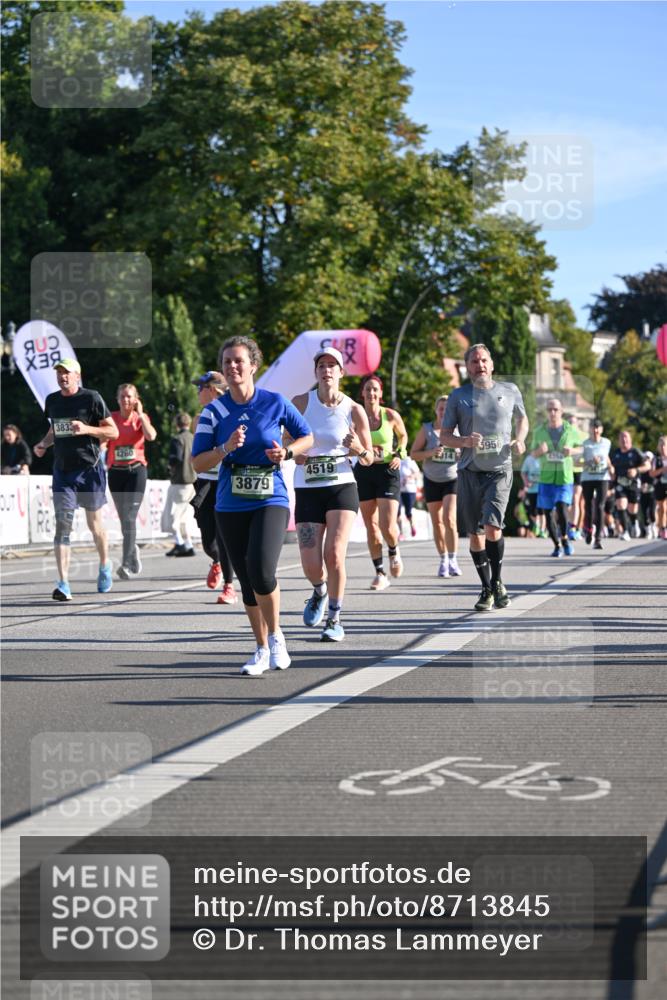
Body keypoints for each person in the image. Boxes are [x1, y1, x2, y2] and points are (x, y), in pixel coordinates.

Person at [191, 335, 313, 675]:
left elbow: (308, 436)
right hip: (230, 503)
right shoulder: (212, 412)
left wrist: (287, 453)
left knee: (261, 570)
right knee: (246, 580)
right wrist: (225, 448)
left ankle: (276, 638)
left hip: (270, 497)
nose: (232, 366)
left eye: (238, 361)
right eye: (227, 361)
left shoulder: (275, 402)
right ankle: (259, 648)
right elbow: (198, 463)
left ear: (253, 367)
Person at [289, 347, 373, 642]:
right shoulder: (300, 402)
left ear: (341, 372)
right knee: (311, 563)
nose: (326, 370)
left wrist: (358, 449)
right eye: (321, 365)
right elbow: (285, 438)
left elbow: (369, 458)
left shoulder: (353, 409)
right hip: (308, 487)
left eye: (332, 365)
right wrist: (295, 452)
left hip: (341, 485)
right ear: (316, 372)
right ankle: (319, 591)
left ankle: (335, 618)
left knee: (334, 554)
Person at [441, 344, 528, 611]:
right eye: (474, 361)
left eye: (484, 360)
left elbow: (522, 419)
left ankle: (497, 582)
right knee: (475, 534)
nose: (480, 365)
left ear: (492, 364)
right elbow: (445, 436)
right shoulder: (458, 396)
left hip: (500, 469)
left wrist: (520, 439)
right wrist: (464, 440)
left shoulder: (509, 391)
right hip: (469, 470)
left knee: (493, 526)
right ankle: (486, 587)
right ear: (467, 367)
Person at [33, 358, 118, 600]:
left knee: (94, 525)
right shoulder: (52, 401)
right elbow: (54, 430)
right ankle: (63, 583)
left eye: (67, 373)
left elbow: (113, 431)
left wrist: (87, 429)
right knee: (63, 526)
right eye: (59, 373)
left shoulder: (91, 398)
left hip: (89, 470)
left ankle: (104, 565)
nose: (63, 377)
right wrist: (43, 444)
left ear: (77, 376)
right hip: (63, 472)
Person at [353, 374, 409, 590]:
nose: (371, 393)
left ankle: (394, 550)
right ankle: (380, 572)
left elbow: (403, 436)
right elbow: (349, 437)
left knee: (387, 525)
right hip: (364, 471)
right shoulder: (356, 415)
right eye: (368, 389)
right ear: (363, 393)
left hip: (388, 471)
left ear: (381, 393)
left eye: (375, 389)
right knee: (372, 526)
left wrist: (399, 454)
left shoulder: (390, 415)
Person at [190, 372, 237, 605]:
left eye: (201, 388)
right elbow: (194, 430)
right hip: (205, 481)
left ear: (213, 390)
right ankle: (216, 561)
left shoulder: (232, 412)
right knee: (208, 538)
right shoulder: (200, 417)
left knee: (224, 533)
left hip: (227, 479)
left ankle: (229, 586)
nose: (198, 392)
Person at [108, 383, 157, 579]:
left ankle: (126, 563)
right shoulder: (110, 418)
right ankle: (133, 549)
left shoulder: (140, 419)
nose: (125, 400)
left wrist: (142, 414)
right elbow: (104, 441)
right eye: (122, 396)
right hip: (115, 472)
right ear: (117, 399)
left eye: (129, 396)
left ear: (135, 399)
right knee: (124, 520)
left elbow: (151, 436)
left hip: (136, 472)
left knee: (129, 517)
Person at [411, 395, 461, 578]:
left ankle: (453, 558)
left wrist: (459, 451)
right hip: (432, 479)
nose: (444, 412)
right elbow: (413, 454)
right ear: (436, 410)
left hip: (451, 479)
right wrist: (431, 452)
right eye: (441, 408)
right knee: (437, 522)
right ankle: (443, 559)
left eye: (447, 409)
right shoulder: (427, 430)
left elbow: (469, 452)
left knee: (449, 518)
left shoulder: (457, 431)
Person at [530, 398, 582, 557]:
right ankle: (557, 545)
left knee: (561, 507)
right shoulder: (539, 431)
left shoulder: (570, 430)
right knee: (547, 513)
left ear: (561, 411)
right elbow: (532, 454)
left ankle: (565, 539)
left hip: (564, 477)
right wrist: (540, 450)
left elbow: (581, 447)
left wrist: (571, 451)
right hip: (546, 478)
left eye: (555, 409)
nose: (552, 412)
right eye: (549, 410)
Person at [162, 413, 196, 556]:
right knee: (184, 518)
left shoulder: (177, 439)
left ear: (177, 424)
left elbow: (175, 458)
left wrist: (169, 468)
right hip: (193, 482)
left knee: (172, 517)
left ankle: (180, 543)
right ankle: (188, 544)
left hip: (180, 481)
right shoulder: (194, 438)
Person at [610, 430, 650, 540]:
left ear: (630, 440)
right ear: (618, 440)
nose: (624, 440)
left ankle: (634, 522)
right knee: (621, 505)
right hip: (620, 483)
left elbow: (647, 466)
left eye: (626, 437)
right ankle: (625, 531)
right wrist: (611, 471)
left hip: (633, 484)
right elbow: (610, 465)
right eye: (621, 438)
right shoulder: (615, 453)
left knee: (633, 508)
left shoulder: (636, 452)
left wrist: (636, 470)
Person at [580, 418, 612, 550]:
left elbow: (607, 457)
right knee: (588, 506)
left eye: (598, 428)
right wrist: (588, 463)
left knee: (600, 506)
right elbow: (577, 463)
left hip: (602, 477)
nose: (595, 430)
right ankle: (588, 531)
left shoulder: (607, 442)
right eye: (593, 427)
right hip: (587, 478)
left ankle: (598, 538)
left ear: (602, 429)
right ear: (589, 429)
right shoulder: (584, 444)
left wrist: (611, 467)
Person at [564, 413, 586, 540]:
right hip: (565, 471)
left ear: (578, 423)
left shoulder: (583, 436)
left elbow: (584, 450)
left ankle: (574, 528)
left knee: (576, 500)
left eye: (573, 422)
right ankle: (568, 526)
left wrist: (572, 451)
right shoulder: (564, 435)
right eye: (569, 422)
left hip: (579, 470)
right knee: (567, 501)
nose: (571, 425)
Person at [519, 451, 546, 538]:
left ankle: (542, 530)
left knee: (542, 511)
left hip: (542, 488)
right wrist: (526, 483)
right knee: (533, 511)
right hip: (531, 490)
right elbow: (523, 472)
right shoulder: (528, 459)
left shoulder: (545, 458)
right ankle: (537, 526)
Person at [398, 456, 421, 540]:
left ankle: (412, 526)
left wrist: (409, 477)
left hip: (409, 489)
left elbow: (417, 473)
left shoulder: (409, 460)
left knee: (408, 512)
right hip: (397, 490)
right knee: (398, 512)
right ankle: (400, 533)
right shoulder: (391, 459)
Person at [650, 436, 667, 540]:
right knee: (661, 508)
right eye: (661, 445)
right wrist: (662, 470)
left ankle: (664, 528)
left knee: (665, 507)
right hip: (659, 485)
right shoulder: (656, 459)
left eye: (665, 445)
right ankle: (662, 528)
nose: (663, 447)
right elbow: (651, 473)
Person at [639, 451, 657, 539]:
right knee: (644, 512)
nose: (646, 459)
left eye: (648, 458)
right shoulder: (642, 470)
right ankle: (648, 530)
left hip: (652, 493)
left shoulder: (653, 469)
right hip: (643, 493)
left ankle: (654, 526)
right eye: (645, 458)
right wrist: (641, 486)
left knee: (652, 511)